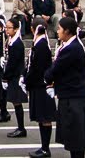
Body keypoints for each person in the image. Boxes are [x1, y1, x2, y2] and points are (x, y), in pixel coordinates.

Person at [44, 15, 85, 158]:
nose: (57, 31)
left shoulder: (72, 48)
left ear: (67, 31)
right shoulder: (69, 46)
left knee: (76, 136)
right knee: (73, 136)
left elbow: (56, 69)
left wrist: (47, 77)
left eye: (59, 29)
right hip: (71, 94)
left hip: (73, 97)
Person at [26, 22, 56, 157]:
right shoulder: (39, 43)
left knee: (44, 117)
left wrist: (27, 80)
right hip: (37, 84)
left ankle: (45, 148)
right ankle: (44, 147)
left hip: (40, 85)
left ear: (33, 29)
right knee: (41, 117)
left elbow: (37, 67)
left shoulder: (41, 45)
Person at [2, 16, 28, 138]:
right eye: (6, 27)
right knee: (15, 102)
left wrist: (5, 77)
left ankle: (21, 128)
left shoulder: (17, 44)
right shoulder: (11, 41)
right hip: (13, 75)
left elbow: (13, 63)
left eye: (9, 28)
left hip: (16, 76)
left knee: (17, 103)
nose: (7, 30)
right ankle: (20, 127)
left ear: (16, 29)